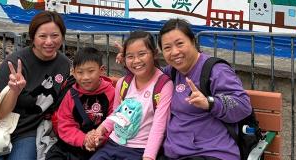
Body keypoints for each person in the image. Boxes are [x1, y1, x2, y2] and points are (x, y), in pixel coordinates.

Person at [0, 10, 71, 160]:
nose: (49, 42)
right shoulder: (14, 64)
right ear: (33, 38)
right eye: (42, 36)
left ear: (62, 36)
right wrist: (14, 91)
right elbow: (0, 113)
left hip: (27, 131)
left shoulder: (64, 65)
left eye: (55, 35)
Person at [157, 19, 252, 160]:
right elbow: (149, 77)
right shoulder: (171, 72)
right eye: (167, 48)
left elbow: (243, 104)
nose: (175, 52)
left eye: (180, 44)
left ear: (193, 42)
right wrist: (131, 61)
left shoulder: (216, 70)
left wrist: (210, 102)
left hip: (211, 152)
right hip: (173, 153)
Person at [91, 31, 173, 160]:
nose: (136, 61)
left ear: (155, 54)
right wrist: (101, 130)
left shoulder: (163, 86)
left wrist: (149, 157)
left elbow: (159, 126)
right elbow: (116, 114)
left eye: (142, 54)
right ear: (124, 58)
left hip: (140, 149)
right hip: (113, 144)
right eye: (130, 56)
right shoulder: (123, 83)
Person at [46, 47, 115, 160]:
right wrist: (84, 139)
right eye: (80, 72)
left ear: (101, 70)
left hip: (101, 145)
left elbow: (115, 120)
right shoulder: (70, 94)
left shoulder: (111, 92)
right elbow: (65, 124)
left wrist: (99, 138)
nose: (85, 77)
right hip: (73, 143)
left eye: (91, 71)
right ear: (73, 72)